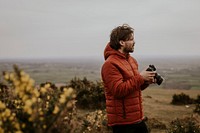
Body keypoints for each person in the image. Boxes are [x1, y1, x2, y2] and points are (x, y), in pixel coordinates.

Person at [101, 24, 156, 133]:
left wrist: (146, 81)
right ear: (122, 42)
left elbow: (134, 87)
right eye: (131, 39)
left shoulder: (132, 61)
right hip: (123, 123)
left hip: (137, 119)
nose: (134, 42)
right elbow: (118, 90)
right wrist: (140, 77)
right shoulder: (110, 64)